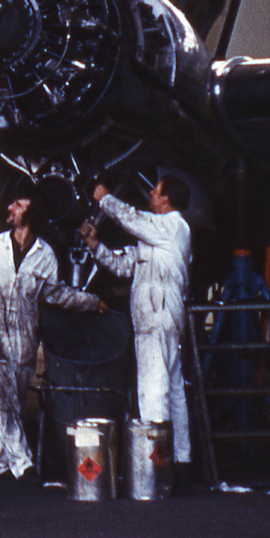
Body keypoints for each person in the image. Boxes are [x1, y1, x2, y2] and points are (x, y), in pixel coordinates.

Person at [0, 192, 104, 480]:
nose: (10, 208)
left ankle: (1, 465)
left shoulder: (45, 255)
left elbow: (53, 293)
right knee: (1, 400)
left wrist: (89, 301)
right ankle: (24, 465)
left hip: (24, 340)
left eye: (19, 205)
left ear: (32, 214)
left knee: (13, 402)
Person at [79, 176, 193, 465]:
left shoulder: (173, 226)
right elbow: (122, 265)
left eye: (156, 190)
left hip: (158, 317)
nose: (151, 193)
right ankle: (180, 459)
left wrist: (104, 197)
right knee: (174, 390)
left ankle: (157, 467)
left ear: (166, 199)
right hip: (161, 317)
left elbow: (131, 218)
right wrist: (95, 245)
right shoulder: (155, 238)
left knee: (153, 390)